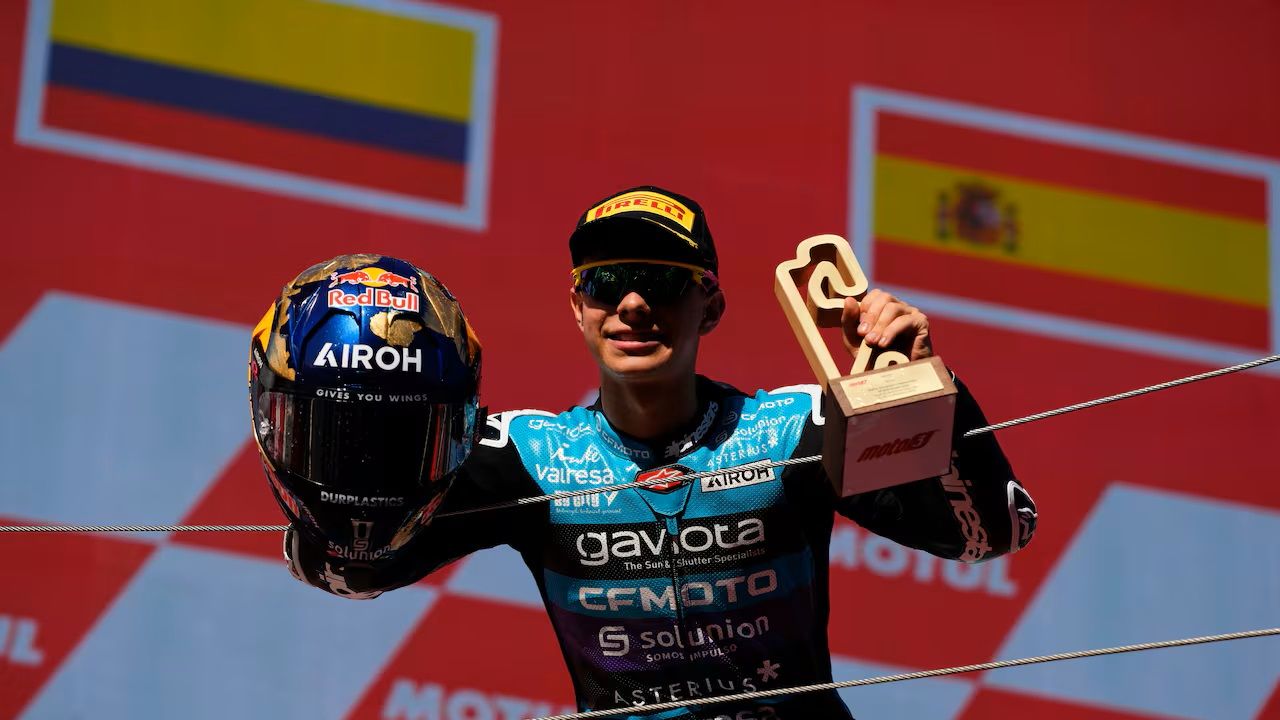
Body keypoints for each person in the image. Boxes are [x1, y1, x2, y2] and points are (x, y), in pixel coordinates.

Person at [268, 186, 1037, 719]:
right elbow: (349, 568)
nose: (632, 303)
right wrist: (355, 416)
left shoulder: (796, 429)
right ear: (577, 306)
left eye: (659, 281)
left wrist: (925, 387)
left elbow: (989, 534)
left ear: (712, 304)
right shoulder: (527, 454)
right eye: (607, 282)